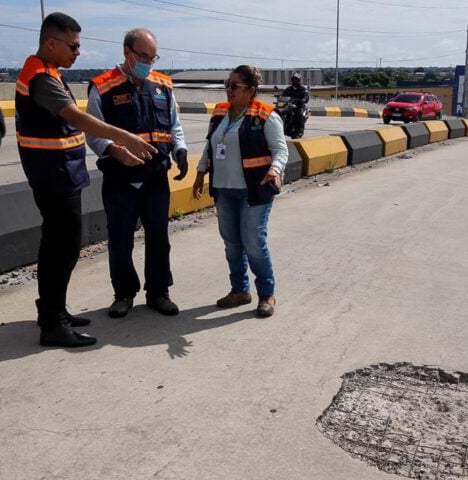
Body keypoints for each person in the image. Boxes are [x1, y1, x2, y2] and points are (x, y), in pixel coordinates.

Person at [16, 13, 157, 348]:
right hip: (54, 176)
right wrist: (126, 138)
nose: (78, 53)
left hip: (60, 172)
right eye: (73, 46)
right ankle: (53, 323)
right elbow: (78, 118)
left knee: (61, 247)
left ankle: (53, 310)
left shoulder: (47, 71)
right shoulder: (42, 78)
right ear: (52, 42)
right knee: (60, 250)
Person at [86, 28, 188, 319]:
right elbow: (92, 132)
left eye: (152, 57)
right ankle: (123, 294)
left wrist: (179, 149)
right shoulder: (103, 86)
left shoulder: (163, 85)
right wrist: (113, 149)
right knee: (120, 239)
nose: (148, 62)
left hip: (156, 176)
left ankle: (159, 292)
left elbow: (174, 125)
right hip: (120, 179)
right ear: (126, 53)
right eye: (142, 56)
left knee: (159, 236)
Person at [191, 65, 288, 317]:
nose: (228, 89)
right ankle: (239, 291)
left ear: (251, 90)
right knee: (232, 244)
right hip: (224, 188)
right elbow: (210, 146)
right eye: (227, 84)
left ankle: (266, 294)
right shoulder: (220, 112)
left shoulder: (265, 115)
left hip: (254, 189)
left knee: (253, 242)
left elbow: (280, 150)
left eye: (235, 85)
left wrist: (275, 169)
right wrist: (200, 173)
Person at [280, 72, 309, 137]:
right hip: (289, 105)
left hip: (299, 105)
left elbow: (306, 96)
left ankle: (299, 131)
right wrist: (279, 96)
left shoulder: (303, 89)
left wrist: (303, 99)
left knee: (299, 114)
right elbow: (283, 94)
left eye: (296, 80)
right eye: (294, 79)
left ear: (299, 80)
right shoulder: (289, 89)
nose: (295, 81)